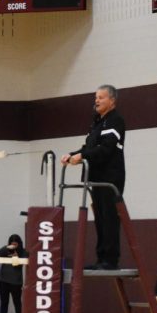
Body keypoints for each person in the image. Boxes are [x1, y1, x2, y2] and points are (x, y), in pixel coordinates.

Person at [61, 84, 125, 270]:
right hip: (95, 177)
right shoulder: (97, 122)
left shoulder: (116, 120)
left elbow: (105, 149)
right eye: (96, 97)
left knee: (109, 217)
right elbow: (88, 149)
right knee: (100, 218)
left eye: (101, 97)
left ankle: (110, 260)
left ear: (112, 100)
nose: (97, 100)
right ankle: (101, 258)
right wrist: (72, 155)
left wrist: (82, 156)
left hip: (110, 178)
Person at [0, 234, 26, 313]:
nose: (14, 246)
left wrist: (16, 256)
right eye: (12, 244)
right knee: (4, 301)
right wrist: (7, 248)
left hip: (16, 282)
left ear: (19, 244)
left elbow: (18, 265)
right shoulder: (6, 250)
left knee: (17, 302)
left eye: (15, 244)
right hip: (3, 280)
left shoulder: (23, 252)